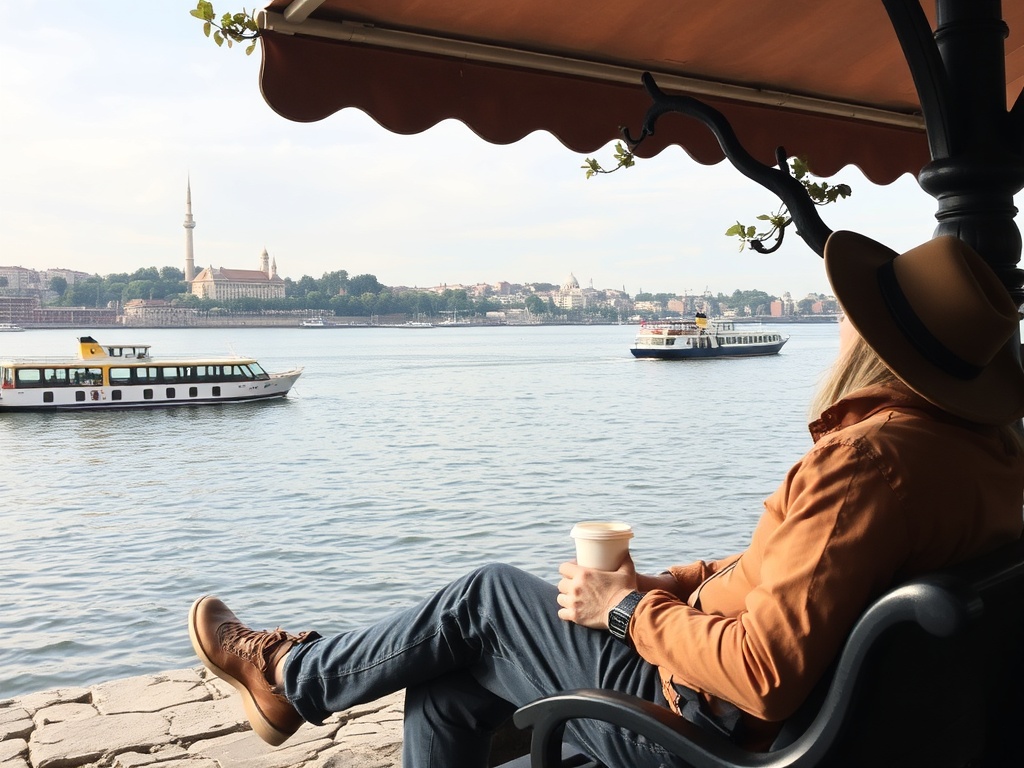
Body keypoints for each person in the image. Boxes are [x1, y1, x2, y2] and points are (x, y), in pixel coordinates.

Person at [189, 231, 1024, 767]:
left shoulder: (866, 466)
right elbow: (806, 573)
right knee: (447, 685)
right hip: (840, 726)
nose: (840, 326)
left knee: (482, 600)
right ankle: (293, 678)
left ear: (872, 347)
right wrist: (677, 582)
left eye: (851, 317)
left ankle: (292, 674)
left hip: (710, 734)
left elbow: (764, 674)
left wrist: (628, 612)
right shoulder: (984, 459)